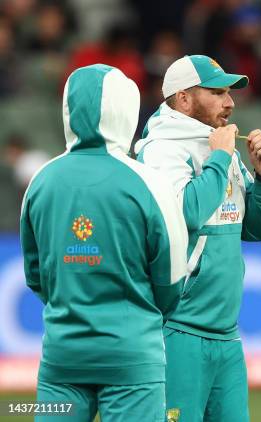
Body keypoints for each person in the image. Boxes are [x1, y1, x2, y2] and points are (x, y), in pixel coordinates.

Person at [19, 64, 188, 421]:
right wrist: (141, 312)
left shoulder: (41, 181)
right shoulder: (148, 182)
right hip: (132, 356)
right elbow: (172, 277)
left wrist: (71, 303)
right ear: (126, 109)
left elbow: (36, 274)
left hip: (63, 355)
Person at [134, 54, 261, 422]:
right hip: (178, 331)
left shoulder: (220, 148)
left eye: (229, 93)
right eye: (216, 92)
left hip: (227, 336)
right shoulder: (161, 149)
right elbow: (185, 215)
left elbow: (256, 230)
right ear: (183, 98)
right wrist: (219, 159)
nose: (230, 103)